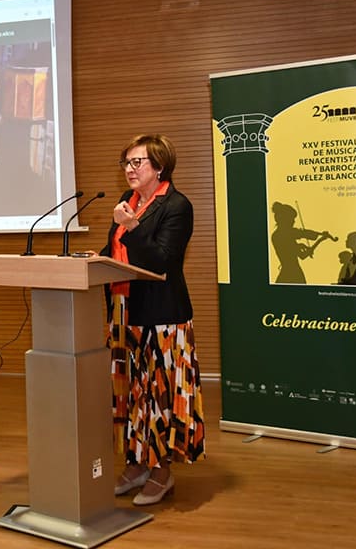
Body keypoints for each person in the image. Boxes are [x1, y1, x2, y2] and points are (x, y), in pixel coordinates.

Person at [98, 134, 204, 506]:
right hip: (123, 313)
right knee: (130, 396)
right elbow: (115, 252)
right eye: (126, 162)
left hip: (162, 317)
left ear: (159, 167)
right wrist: (93, 258)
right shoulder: (127, 202)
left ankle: (162, 472)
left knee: (159, 398)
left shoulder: (176, 205)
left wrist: (132, 226)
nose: (129, 169)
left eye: (137, 162)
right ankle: (136, 464)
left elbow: (162, 260)